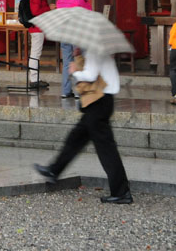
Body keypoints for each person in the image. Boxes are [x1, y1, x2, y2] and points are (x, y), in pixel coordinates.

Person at [34, 48, 132, 204]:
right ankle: (54, 170)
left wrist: (74, 71)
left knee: (106, 149)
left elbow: (90, 75)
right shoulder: (102, 48)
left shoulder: (94, 50)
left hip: (98, 101)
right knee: (76, 137)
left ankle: (121, 192)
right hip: (103, 101)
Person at [55, 0, 89, 99]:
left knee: (67, 63)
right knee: (79, 61)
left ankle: (65, 90)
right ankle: (78, 91)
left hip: (64, 34)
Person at [22, 0, 51, 89]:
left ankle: (35, 78)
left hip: (34, 27)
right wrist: (50, 8)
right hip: (37, 28)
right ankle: (34, 79)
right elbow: (36, 11)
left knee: (35, 53)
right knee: (35, 54)